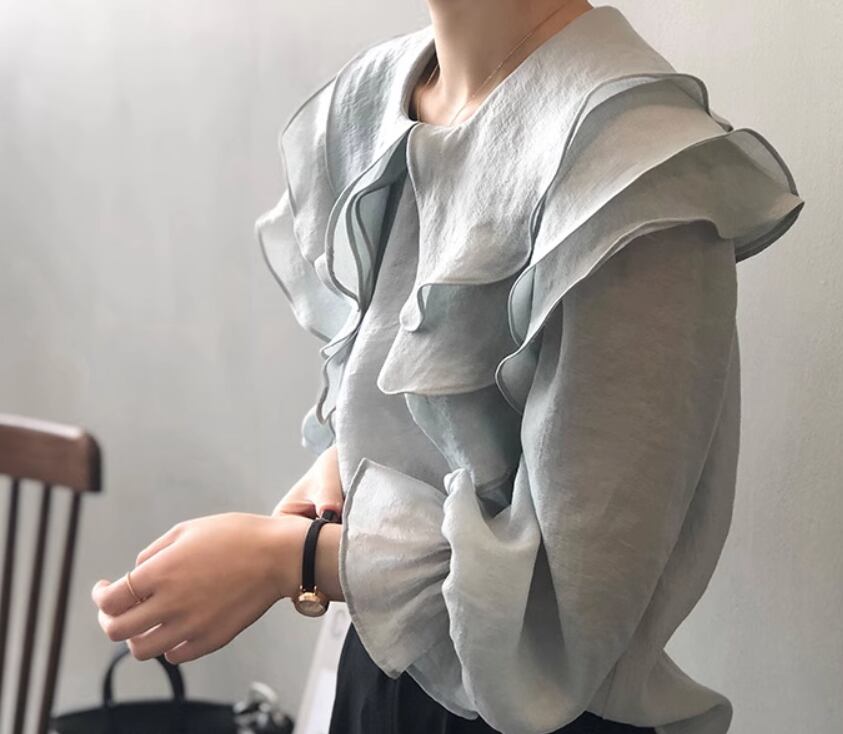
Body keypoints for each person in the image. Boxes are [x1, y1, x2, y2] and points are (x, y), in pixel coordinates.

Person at [92, 2, 805, 733]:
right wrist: (347, 466)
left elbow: (565, 610)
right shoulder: (378, 100)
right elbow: (430, 387)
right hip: (377, 674)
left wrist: (292, 559)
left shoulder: (633, 166)